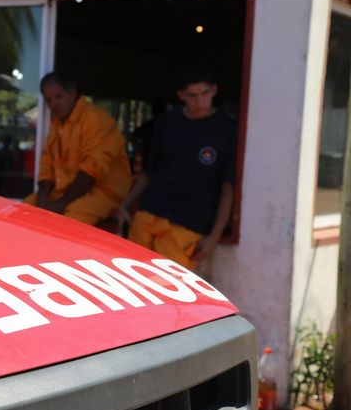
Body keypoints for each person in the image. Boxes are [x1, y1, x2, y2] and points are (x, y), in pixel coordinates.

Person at [116, 68, 237, 269]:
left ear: (214, 90)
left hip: (187, 225)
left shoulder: (227, 129)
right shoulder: (166, 123)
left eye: (205, 93)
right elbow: (149, 173)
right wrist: (125, 205)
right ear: (181, 95)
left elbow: (227, 189)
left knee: (165, 285)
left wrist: (214, 236)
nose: (200, 101)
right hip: (149, 214)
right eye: (192, 95)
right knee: (130, 280)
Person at [24, 72, 132, 225]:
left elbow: (91, 171)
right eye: (49, 100)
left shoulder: (96, 120)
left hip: (102, 193)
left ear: (73, 93)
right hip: (63, 192)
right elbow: (47, 163)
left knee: (66, 225)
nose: (53, 104)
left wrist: (61, 204)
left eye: (58, 97)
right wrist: (42, 197)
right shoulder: (57, 122)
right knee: (23, 212)